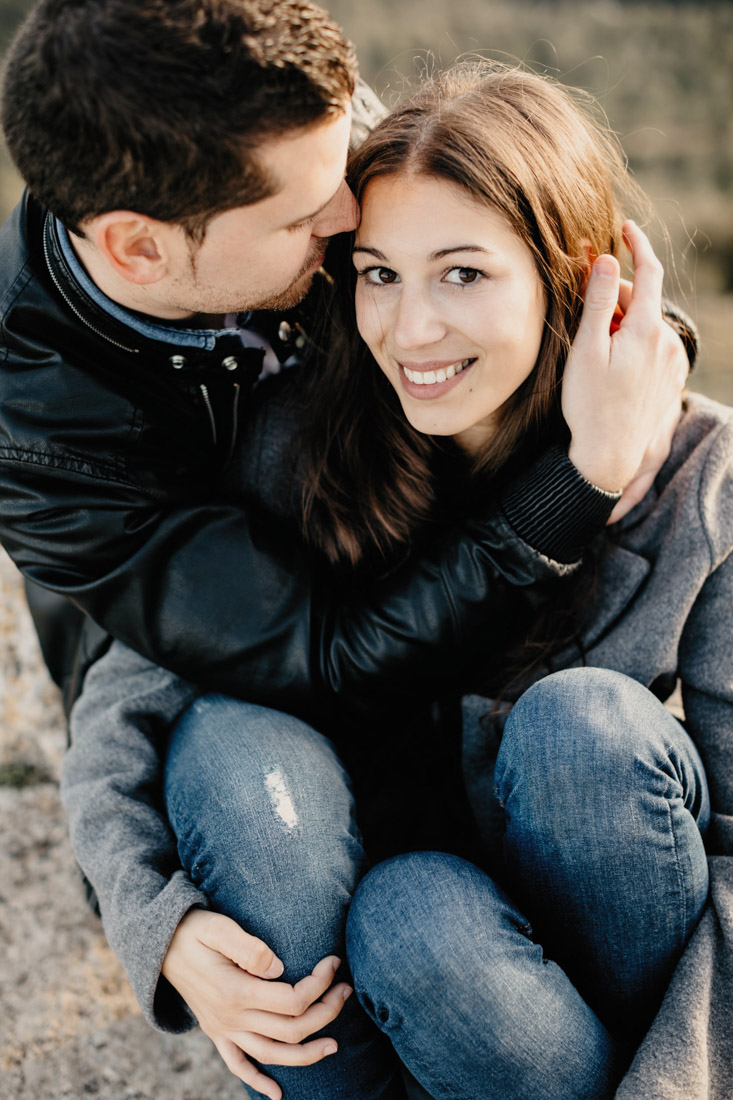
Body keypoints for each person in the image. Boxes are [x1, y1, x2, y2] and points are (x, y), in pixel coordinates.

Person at [0, 0, 692, 1096]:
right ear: (137, 245)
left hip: (537, 795)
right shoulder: (52, 435)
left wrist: (620, 361)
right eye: (342, 244)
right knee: (245, 767)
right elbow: (155, 688)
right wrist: (153, 915)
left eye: (346, 163)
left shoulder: (291, 150)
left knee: (579, 736)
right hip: (291, 715)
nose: (346, 212)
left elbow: (500, 202)